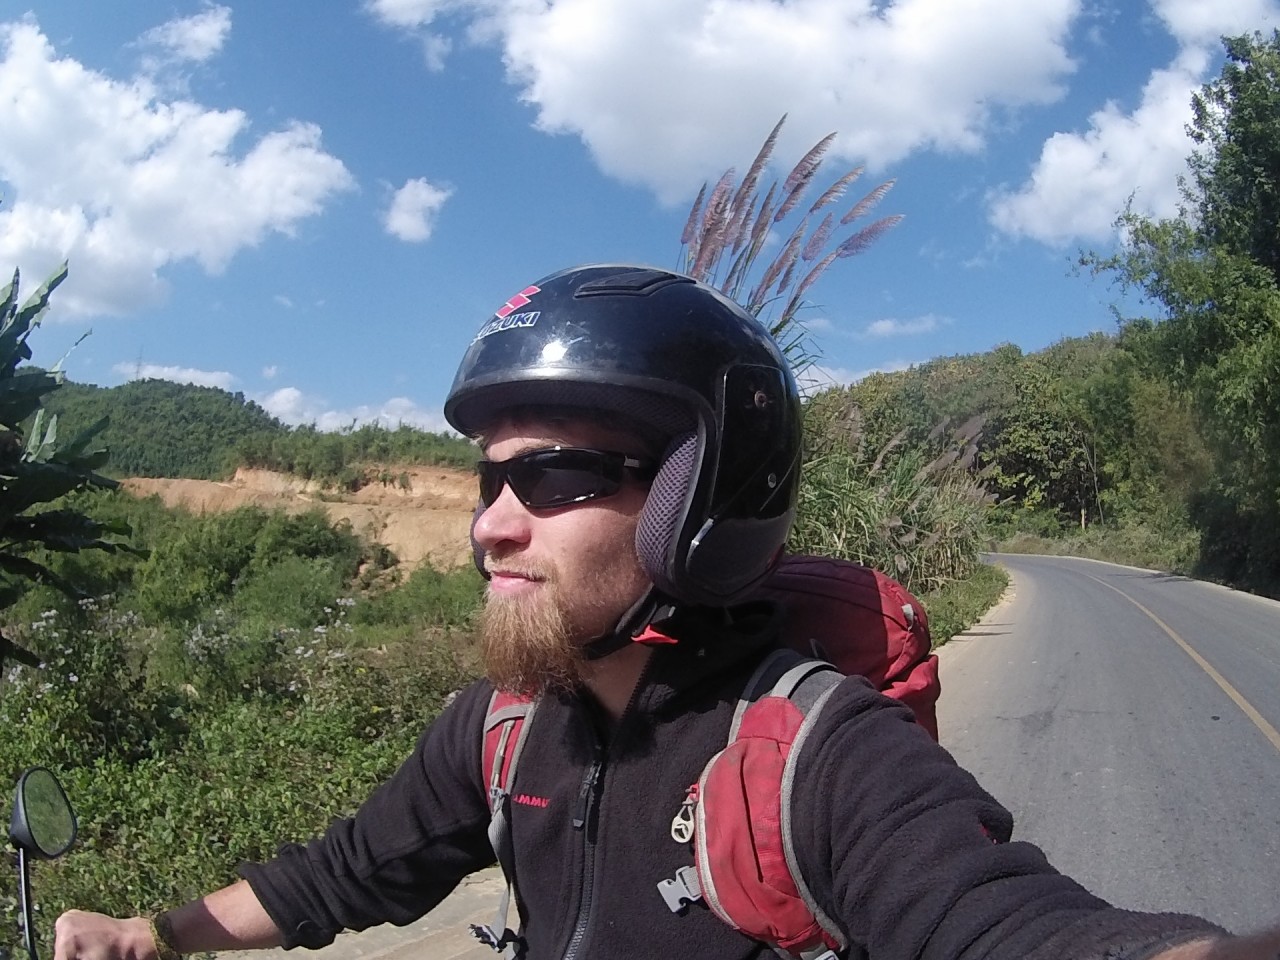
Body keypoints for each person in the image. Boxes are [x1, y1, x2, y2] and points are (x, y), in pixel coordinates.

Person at [55, 265, 1278, 960]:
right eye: (491, 478)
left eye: (555, 476)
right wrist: (152, 935)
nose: (490, 523)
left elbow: (995, 921)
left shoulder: (812, 753)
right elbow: (346, 873)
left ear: (700, 502)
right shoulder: (505, 725)